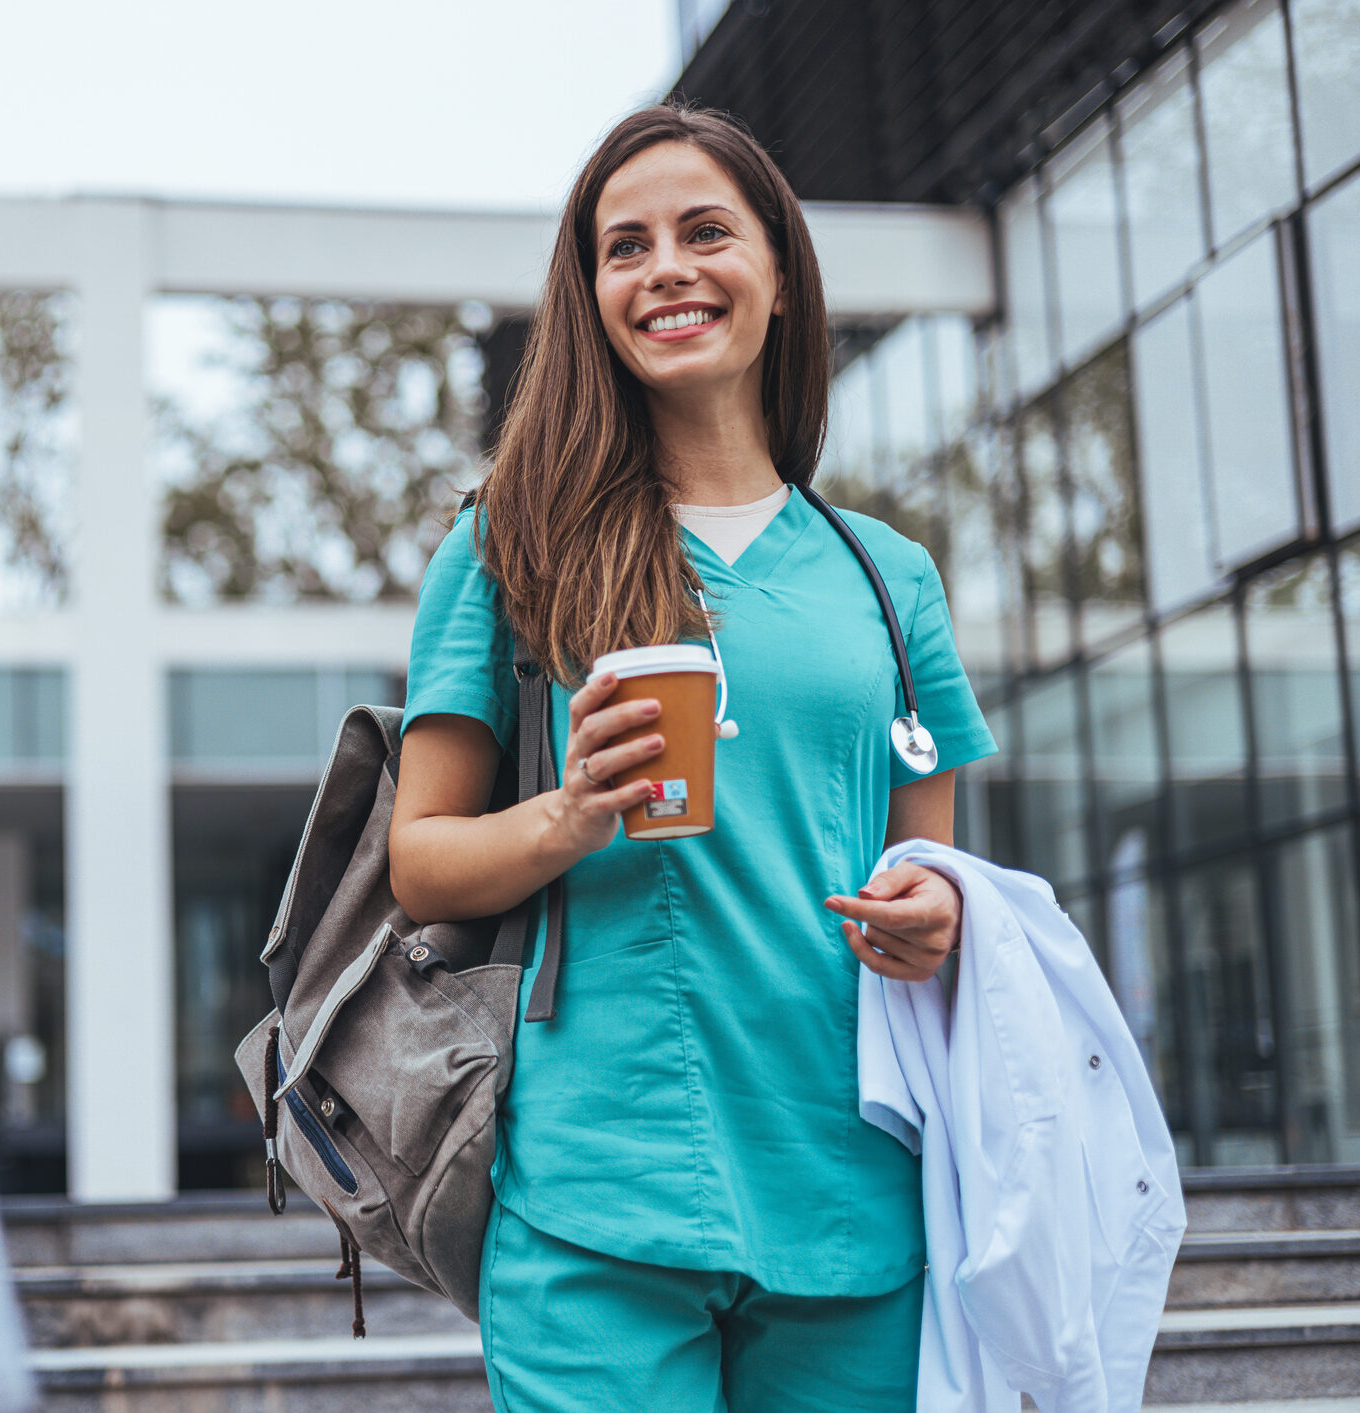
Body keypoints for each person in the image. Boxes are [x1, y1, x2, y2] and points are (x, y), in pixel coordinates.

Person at [388, 103, 997, 1413]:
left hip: (851, 1197)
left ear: (778, 276)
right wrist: (570, 813)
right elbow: (420, 863)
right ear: (592, 294)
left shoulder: (893, 581)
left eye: (704, 231)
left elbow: (935, 872)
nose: (664, 266)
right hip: (596, 1205)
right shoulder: (510, 543)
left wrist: (938, 911)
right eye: (625, 246)